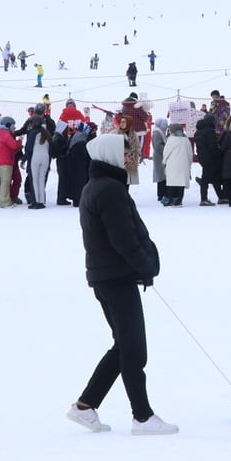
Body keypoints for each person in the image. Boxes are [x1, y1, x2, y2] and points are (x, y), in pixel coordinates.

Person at [67, 134, 176, 435]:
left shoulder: (101, 187)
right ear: (112, 155)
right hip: (115, 278)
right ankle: (142, 417)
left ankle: (85, 406)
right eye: (127, 152)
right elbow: (123, 239)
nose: (132, 157)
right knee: (134, 350)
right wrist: (145, 266)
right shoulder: (109, 190)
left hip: (109, 276)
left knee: (125, 347)